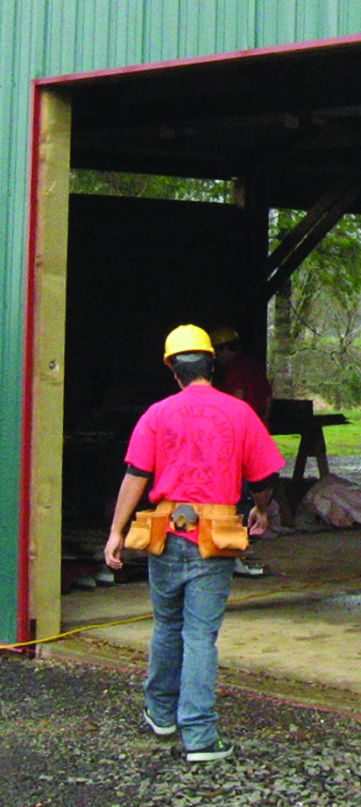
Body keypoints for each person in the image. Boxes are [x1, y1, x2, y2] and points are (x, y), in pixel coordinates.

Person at [102, 324, 284, 762]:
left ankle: (161, 712)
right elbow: (263, 476)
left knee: (167, 625)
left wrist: (116, 532)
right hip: (214, 538)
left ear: (173, 369)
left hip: (165, 534)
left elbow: (135, 476)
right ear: (211, 364)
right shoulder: (239, 413)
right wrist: (261, 508)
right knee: (200, 635)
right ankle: (199, 735)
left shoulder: (156, 414)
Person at [210, 324, 273, 576]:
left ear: (224, 349)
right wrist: (263, 427)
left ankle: (234, 552)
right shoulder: (254, 366)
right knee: (249, 490)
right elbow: (268, 399)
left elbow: (236, 399)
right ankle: (239, 549)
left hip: (237, 437)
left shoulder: (234, 370)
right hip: (255, 433)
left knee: (236, 496)